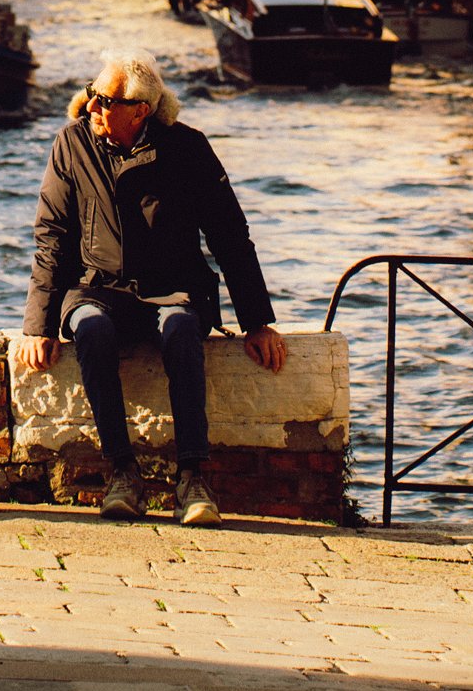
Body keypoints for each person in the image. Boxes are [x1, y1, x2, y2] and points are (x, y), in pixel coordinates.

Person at [16, 48, 286, 526]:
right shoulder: (71, 144)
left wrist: (258, 323)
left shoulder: (188, 148)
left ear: (141, 109)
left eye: (105, 100)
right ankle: (122, 473)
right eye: (91, 95)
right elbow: (51, 237)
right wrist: (38, 325)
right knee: (92, 331)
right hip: (94, 289)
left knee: (183, 330)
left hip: (174, 290)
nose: (93, 107)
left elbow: (230, 235)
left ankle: (193, 477)